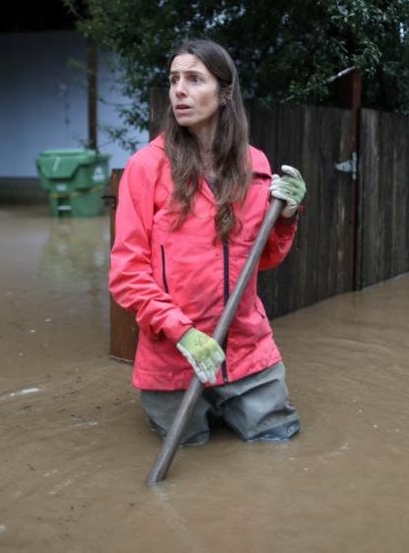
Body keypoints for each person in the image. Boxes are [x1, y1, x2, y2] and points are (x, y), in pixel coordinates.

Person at [109, 39, 306, 446]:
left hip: (247, 351)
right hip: (173, 357)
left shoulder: (256, 167)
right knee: (191, 446)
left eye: (194, 79)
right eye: (174, 79)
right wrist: (184, 334)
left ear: (224, 94)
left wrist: (287, 218)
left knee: (279, 441)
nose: (179, 90)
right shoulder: (145, 168)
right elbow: (127, 275)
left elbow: (261, 259)